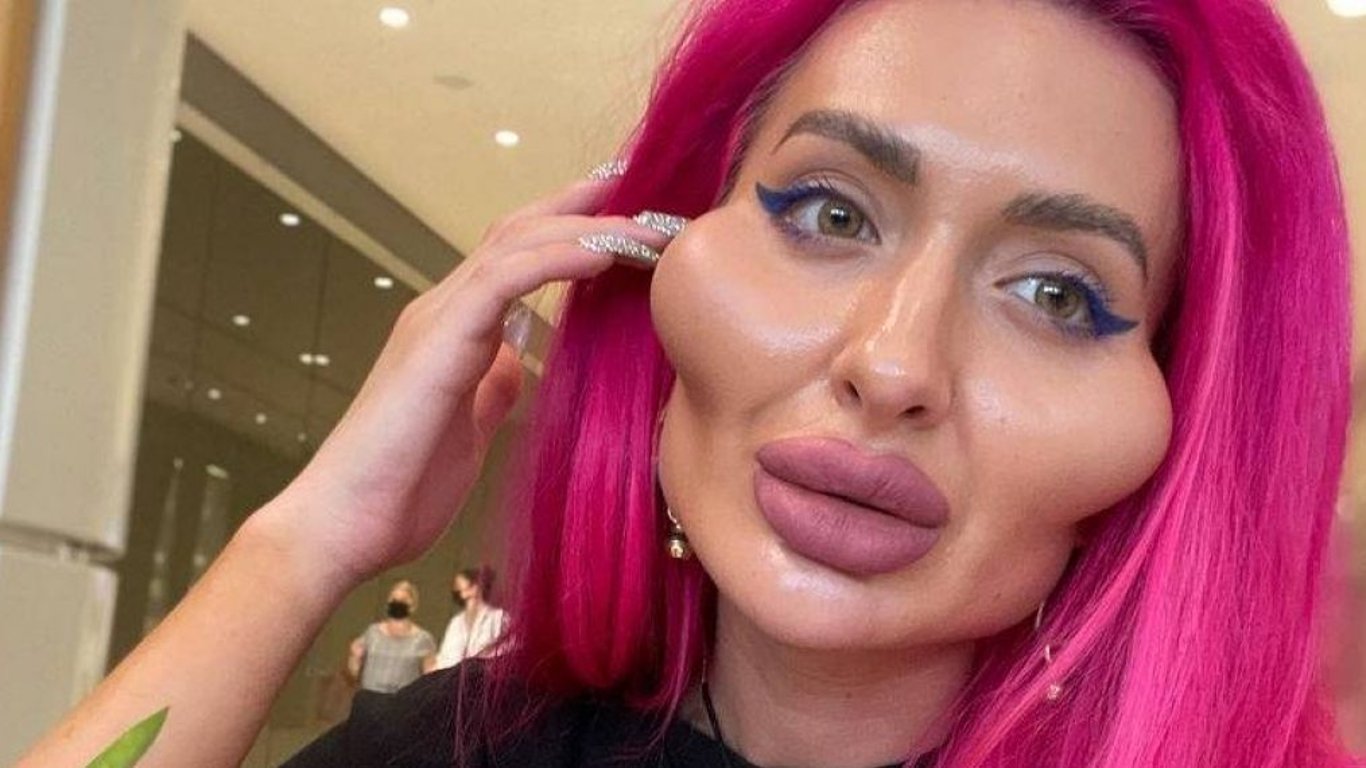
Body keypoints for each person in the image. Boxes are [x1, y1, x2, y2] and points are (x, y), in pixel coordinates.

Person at [17, 0, 1361, 766]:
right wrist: (306, 542)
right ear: (658, 248)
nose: (892, 364)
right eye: (830, 213)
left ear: (1178, 418)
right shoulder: (458, 751)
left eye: (1057, 295)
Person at [348, 580, 437, 694]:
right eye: (394, 600)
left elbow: (430, 679)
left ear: (413, 606)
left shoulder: (423, 640)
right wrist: (354, 658)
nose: (397, 604)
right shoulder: (372, 633)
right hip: (370, 699)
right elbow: (354, 672)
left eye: (403, 600)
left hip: (402, 701)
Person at [436, 567, 507, 669]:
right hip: (454, 676)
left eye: (465, 583)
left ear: (477, 585)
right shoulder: (455, 623)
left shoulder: (499, 617)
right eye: (457, 585)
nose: (458, 587)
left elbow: (508, 652)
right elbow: (444, 659)